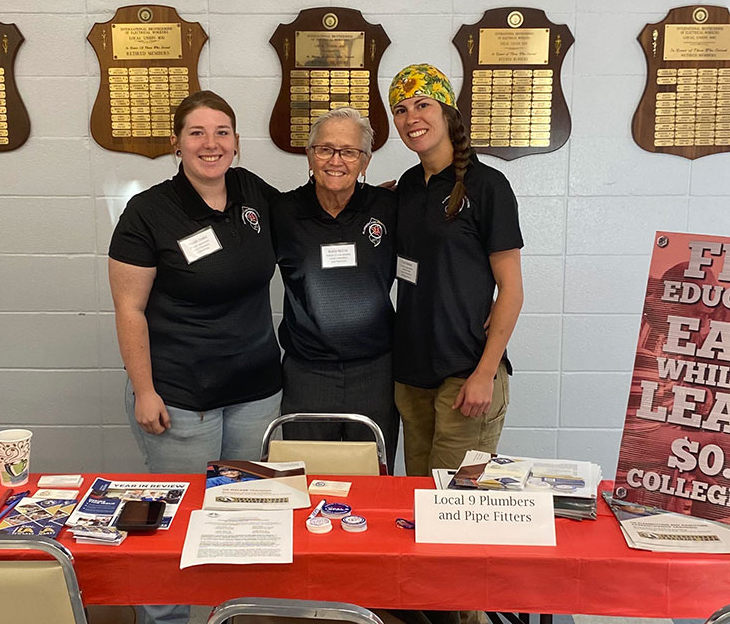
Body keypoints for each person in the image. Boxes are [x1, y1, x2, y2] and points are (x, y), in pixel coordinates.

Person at [108, 90, 282, 624]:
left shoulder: (254, 194)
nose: (211, 144)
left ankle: (222, 615)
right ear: (177, 144)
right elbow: (129, 309)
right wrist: (144, 391)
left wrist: (381, 198)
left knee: (238, 516)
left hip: (255, 393)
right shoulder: (150, 211)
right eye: (198, 133)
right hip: (181, 398)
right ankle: (164, 618)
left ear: (236, 142)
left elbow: (317, 208)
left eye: (222, 133)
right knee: (172, 519)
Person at [387, 64, 525, 476]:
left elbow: (512, 291)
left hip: (466, 375)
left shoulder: (487, 186)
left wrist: (485, 373)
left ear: (448, 112)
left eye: (423, 104)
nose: (412, 117)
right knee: (416, 498)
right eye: (400, 109)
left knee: (453, 508)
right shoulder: (407, 187)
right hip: (412, 376)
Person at [270, 107, 399, 466]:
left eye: (349, 151)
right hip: (307, 373)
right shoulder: (281, 211)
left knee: (372, 479)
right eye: (325, 149)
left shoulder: (389, 208)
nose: (335, 160)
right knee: (307, 480)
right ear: (310, 156)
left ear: (365, 161)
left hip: (376, 372)